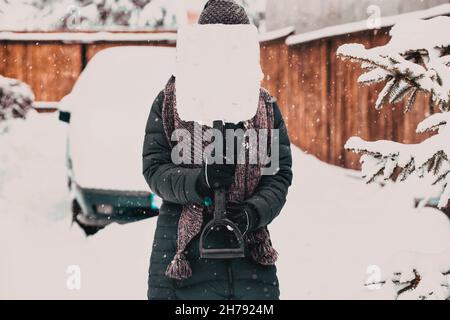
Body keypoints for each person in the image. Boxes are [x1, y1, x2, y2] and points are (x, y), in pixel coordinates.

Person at [142, 0, 292, 300]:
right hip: (180, 255)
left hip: (250, 255)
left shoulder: (263, 106)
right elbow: (155, 168)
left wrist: (251, 214)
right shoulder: (172, 102)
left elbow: (278, 175)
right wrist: (199, 183)